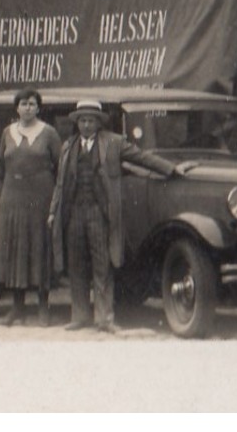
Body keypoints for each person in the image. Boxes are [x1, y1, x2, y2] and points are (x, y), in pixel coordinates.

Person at [49, 99, 185, 333]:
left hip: (100, 214)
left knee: (103, 266)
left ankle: (104, 319)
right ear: (77, 122)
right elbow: (60, 184)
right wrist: (53, 211)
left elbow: (141, 157)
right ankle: (80, 316)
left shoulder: (113, 142)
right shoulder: (68, 146)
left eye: (91, 120)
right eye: (83, 120)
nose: (87, 125)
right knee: (77, 266)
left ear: (99, 123)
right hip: (73, 213)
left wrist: (171, 169)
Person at [0, 88, 63, 326]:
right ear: (17, 108)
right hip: (12, 196)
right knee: (14, 248)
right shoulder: (7, 133)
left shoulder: (49, 133)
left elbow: (58, 165)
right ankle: (17, 309)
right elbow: (1, 166)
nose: (28, 108)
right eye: (23, 104)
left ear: (38, 108)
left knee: (39, 248)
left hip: (40, 197)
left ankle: (43, 308)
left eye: (32, 104)